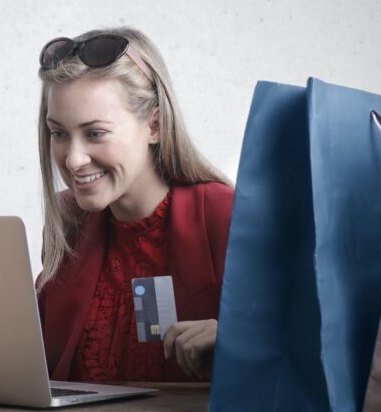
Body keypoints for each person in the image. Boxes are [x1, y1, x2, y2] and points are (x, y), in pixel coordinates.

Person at [35, 28, 234, 382]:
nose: (74, 159)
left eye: (95, 133)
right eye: (59, 133)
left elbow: (304, 344)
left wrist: (240, 342)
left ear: (154, 125)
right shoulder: (69, 221)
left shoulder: (225, 216)